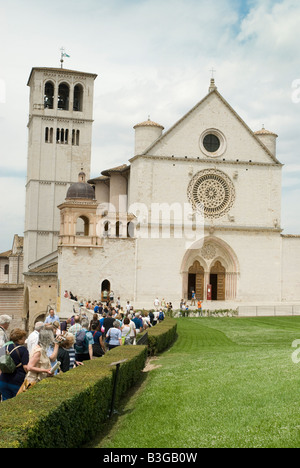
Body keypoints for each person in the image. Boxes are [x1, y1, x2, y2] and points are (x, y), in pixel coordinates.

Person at [0, 328, 29, 401]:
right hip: (17, 381)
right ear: (19, 339)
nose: (25, 340)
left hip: (3, 380)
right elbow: (25, 367)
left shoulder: (3, 348)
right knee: (17, 403)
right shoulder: (23, 350)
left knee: (5, 403)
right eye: (23, 338)